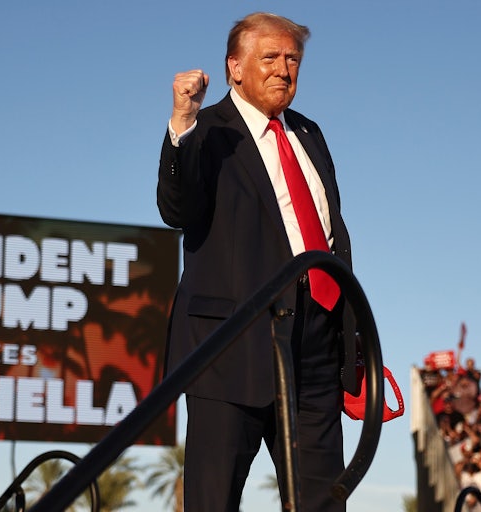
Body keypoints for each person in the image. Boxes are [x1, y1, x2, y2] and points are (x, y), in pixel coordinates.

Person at [156, 12, 358, 511]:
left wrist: (349, 340)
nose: (283, 69)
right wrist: (181, 125)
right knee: (214, 501)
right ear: (235, 68)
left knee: (322, 502)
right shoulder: (207, 129)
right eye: (269, 57)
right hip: (230, 346)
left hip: (314, 350)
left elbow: (333, 235)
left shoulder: (309, 133)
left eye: (292, 59)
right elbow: (176, 209)